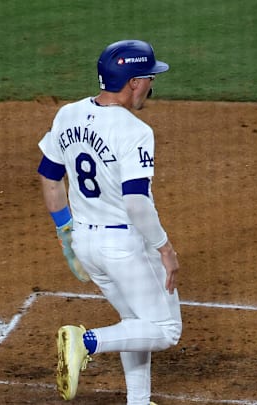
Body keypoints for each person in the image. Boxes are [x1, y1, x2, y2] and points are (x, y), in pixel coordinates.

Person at [36, 39, 182, 405]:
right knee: (165, 330)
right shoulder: (134, 131)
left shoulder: (67, 114)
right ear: (133, 82)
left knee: (136, 321)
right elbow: (136, 201)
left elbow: (50, 177)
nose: (151, 85)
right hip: (124, 247)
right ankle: (86, 342)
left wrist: (64, 231)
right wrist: (164, 247)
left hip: (86, 244)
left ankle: (138, 401)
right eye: (148, 77)